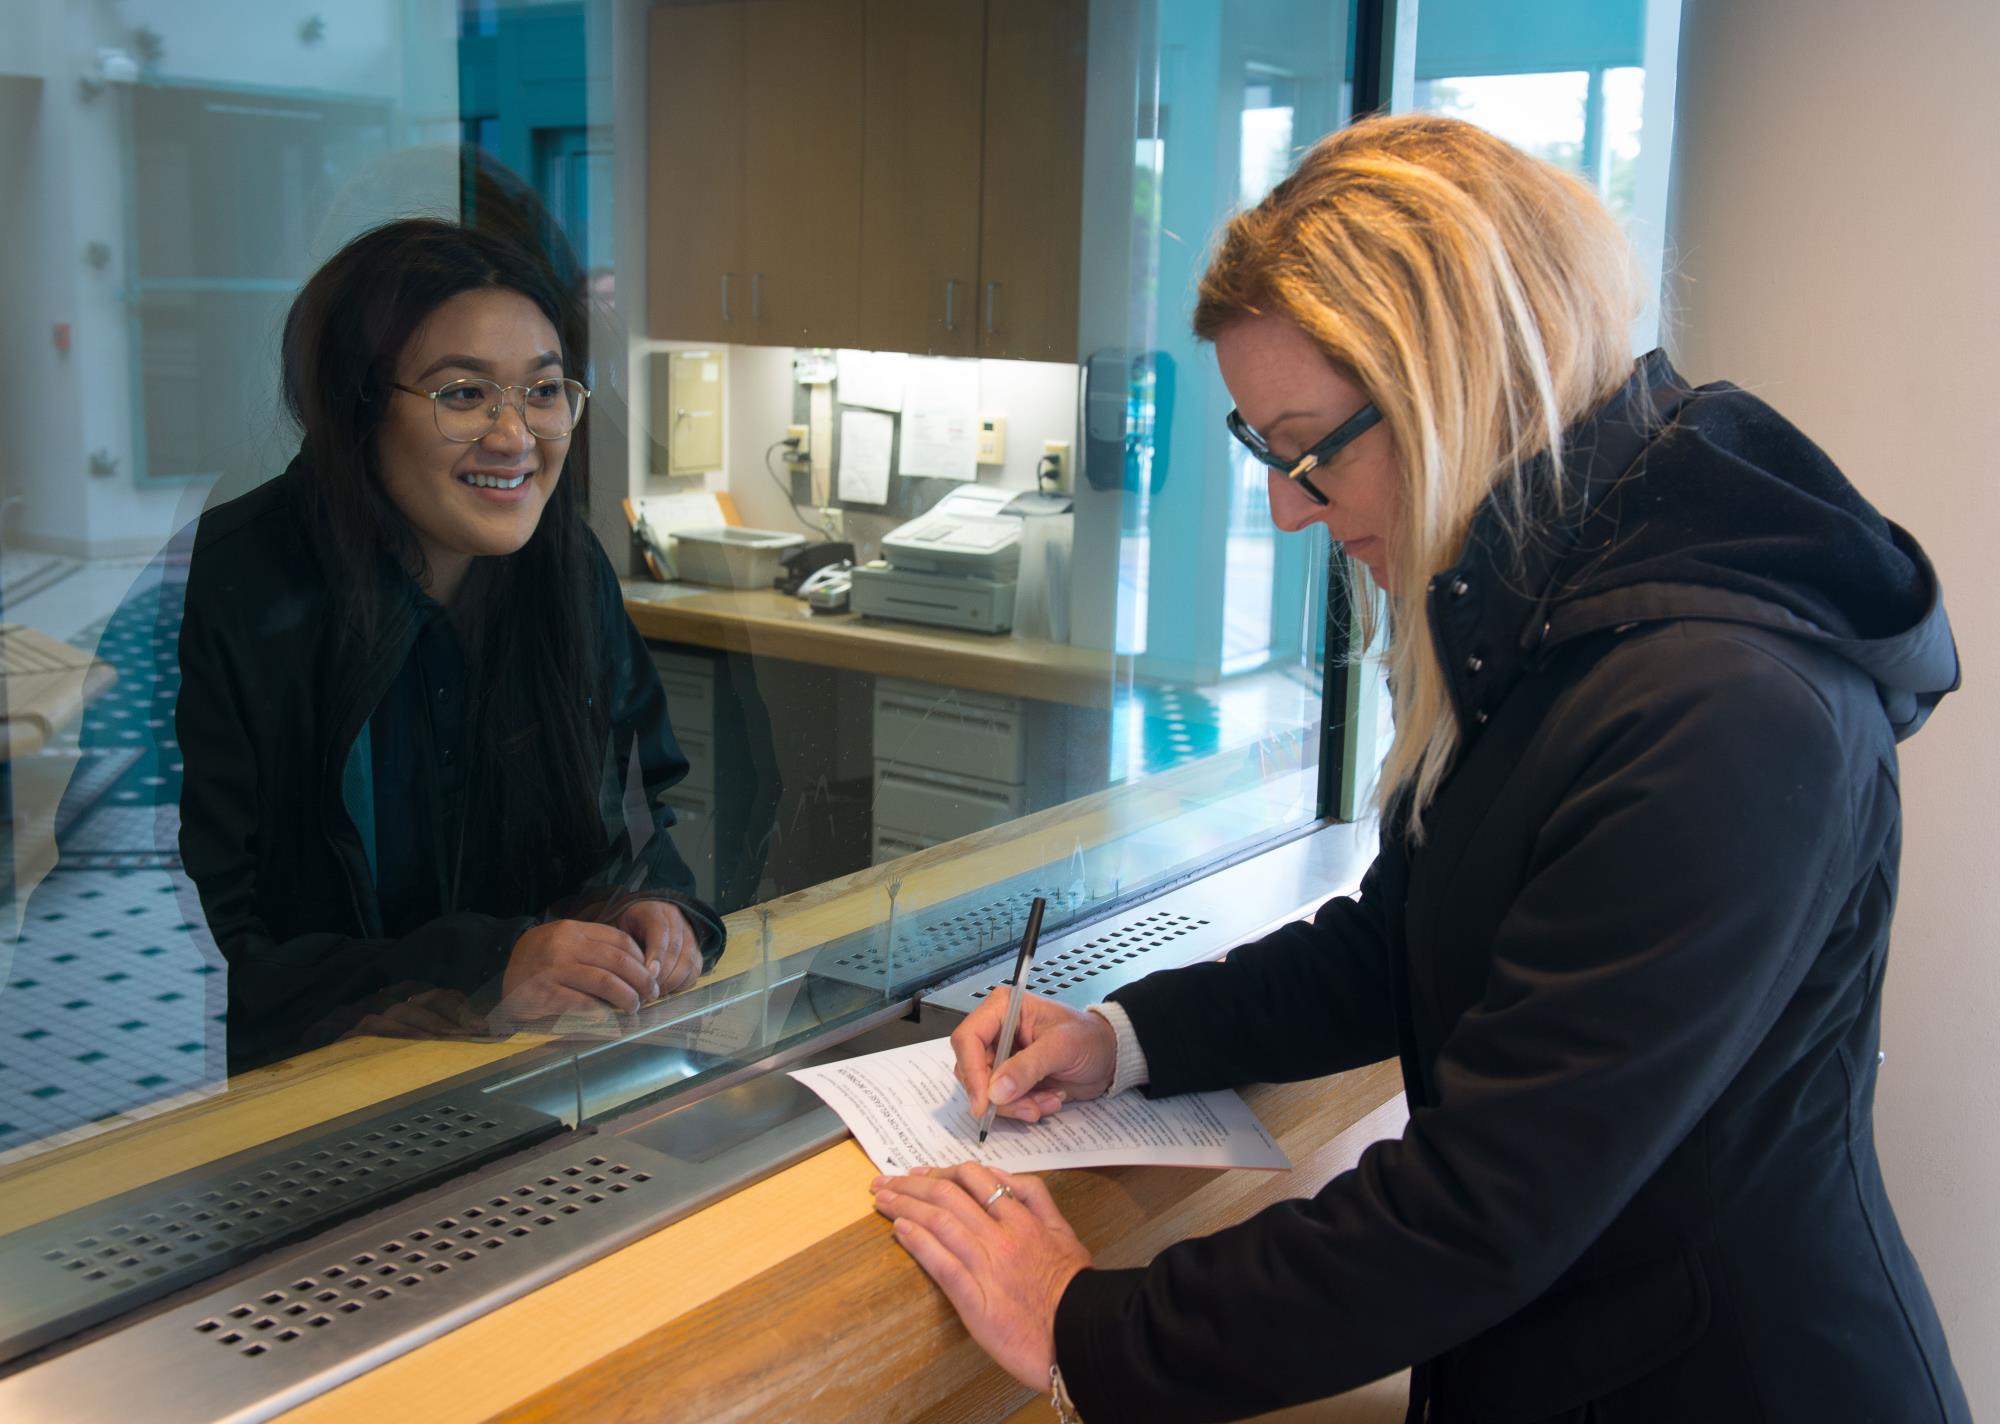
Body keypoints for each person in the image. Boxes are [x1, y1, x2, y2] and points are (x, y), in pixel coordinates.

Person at [870, 115, 1969, 1422]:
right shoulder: (1554, 622)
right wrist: (1125, 1039)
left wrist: (1089, 1325)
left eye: (1307, 445)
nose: (1286, 505)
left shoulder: (1720, 709)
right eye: (1261, 447)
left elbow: (1485, 1207)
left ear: (1463, 384)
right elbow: (1402, 945)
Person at [175, 218, 723, 1071]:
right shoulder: (229, 589)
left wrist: (651, 913)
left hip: (525, 1087)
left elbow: (641, 812)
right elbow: (194, 960)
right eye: (463, 393)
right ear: (357, 406)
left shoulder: (565, 568)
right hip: (283, 1123)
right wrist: (482, 971)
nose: (514, 436)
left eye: (544, 391)